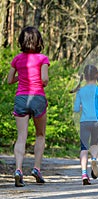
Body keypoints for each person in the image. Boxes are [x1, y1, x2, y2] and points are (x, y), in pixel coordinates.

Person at [7, 26, 50, 187]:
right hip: (37, 97)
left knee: (21, 137)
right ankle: (36, 168)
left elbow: (10, 80)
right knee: (40, 135)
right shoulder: (42, 59)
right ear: (39, 41)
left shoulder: (17, 59)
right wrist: (38, 79)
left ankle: (18, 170)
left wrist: (22, 75)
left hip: (21, 98)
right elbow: (44, 79)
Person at [71, 64, 98, 185]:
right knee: (94, 144)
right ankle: (94, 159)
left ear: (85, 77)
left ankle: (83, 174)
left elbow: (76, 109)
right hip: (97, 121)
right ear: (96, 76)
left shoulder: (80, 91)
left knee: (84, 148)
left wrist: (82, 106)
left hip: (84, 122)